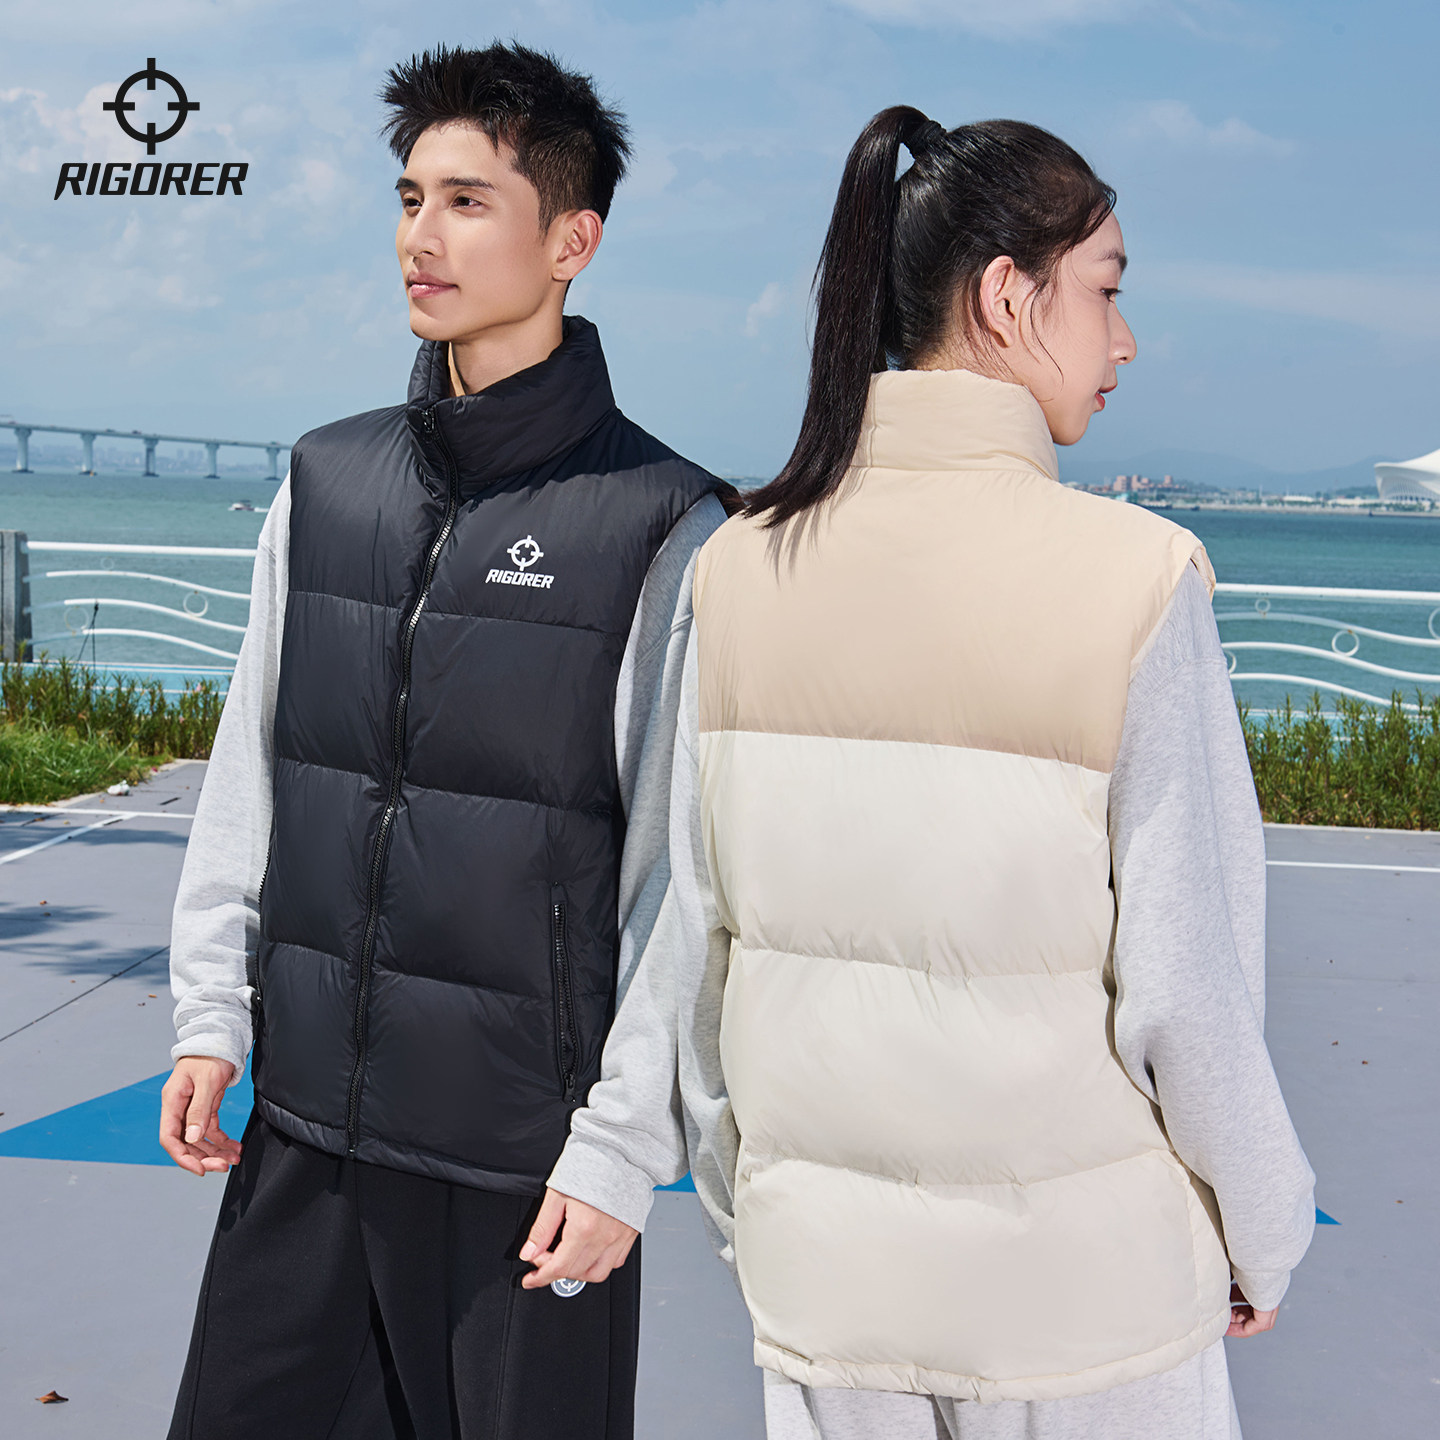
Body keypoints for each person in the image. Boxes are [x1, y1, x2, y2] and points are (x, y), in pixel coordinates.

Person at [531, 108, 1317, 1438]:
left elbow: (692, 943)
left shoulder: (738, 568)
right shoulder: (1136, 579)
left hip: (828, 1305)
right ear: (1009, 295)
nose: (1125, 340)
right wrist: (1265, 1229)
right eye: (1107, 290)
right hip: (1090, 1315)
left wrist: (749, 1212)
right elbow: (1189, 993)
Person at [159, 41, 732, 1440]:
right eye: (412, 197)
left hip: (522, 1172)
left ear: (572, 241)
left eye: (470, 202)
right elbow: (254, 768)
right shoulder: (326, 479)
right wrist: (212, 1011)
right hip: (305, 1134)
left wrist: (620, 1148)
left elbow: (681, 878)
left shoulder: (664, 522)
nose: (424, 235)